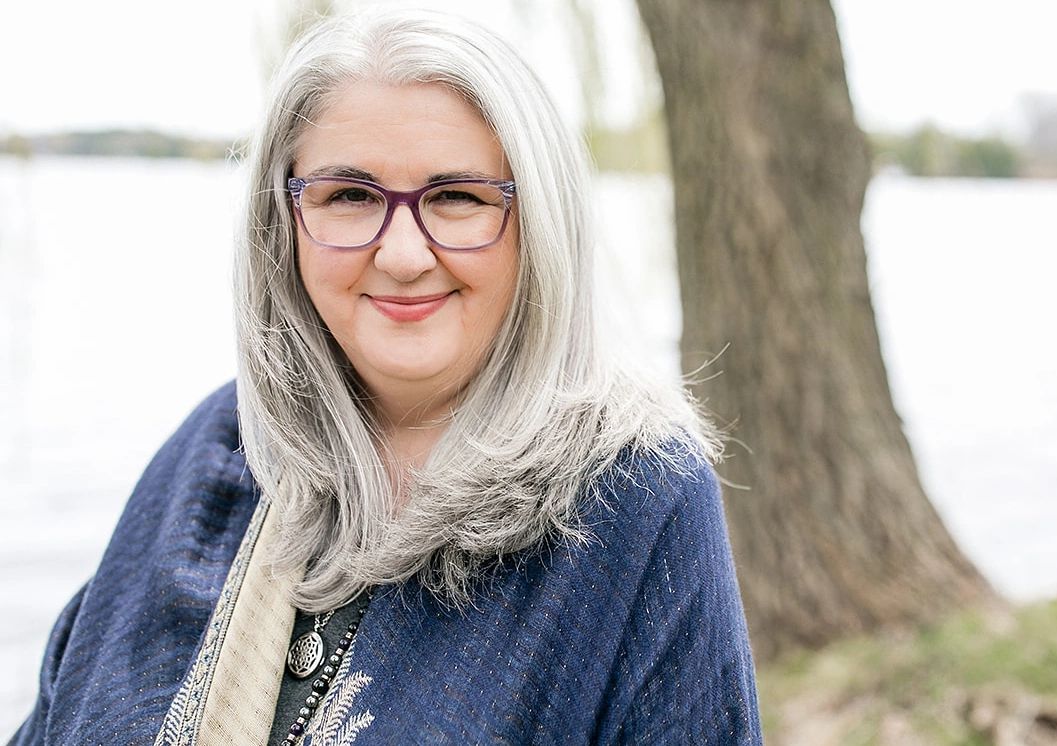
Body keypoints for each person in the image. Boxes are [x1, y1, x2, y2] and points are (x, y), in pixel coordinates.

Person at [12, 9, 763, 745]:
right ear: (282, 222)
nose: (403, 254)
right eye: (350, 196)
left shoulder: (633, 497)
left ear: (540, 222)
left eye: (457, 197)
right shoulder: (220, 449)